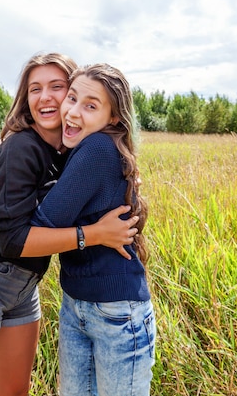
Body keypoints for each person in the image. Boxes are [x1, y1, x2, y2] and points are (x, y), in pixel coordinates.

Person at [0, 53, 140, 396]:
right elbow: (11, 239)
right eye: (34, 89)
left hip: (25, 284)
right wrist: (94, 235)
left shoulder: (69, 151)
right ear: (25, 99)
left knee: (15, 391)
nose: (45, 97)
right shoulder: (21, 146)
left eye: (57, 87)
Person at [30, 63, 156, 395]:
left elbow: (43, 224)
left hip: (115, 313)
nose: (72, 112)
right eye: (72, 98)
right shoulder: (81, 149)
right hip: (77, 304)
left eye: (91, 106)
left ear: (113, 118)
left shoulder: (98, 148)